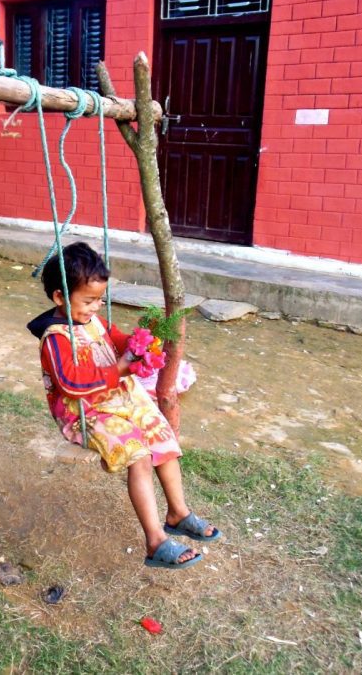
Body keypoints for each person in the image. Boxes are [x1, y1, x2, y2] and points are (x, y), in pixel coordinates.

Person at [27, 241, 221, 569]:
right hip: (85, 412)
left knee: (162, 438)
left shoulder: (96, 322)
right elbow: (71, 383)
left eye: (99, 299)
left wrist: (140, 345)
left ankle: (178, 512)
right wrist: (121, 367)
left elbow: (116, 341)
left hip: (120, 396)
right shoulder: (57, 338)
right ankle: (155, 541)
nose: (95, 307)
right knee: (139, 454)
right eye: (88, 301)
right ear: (59, 297)